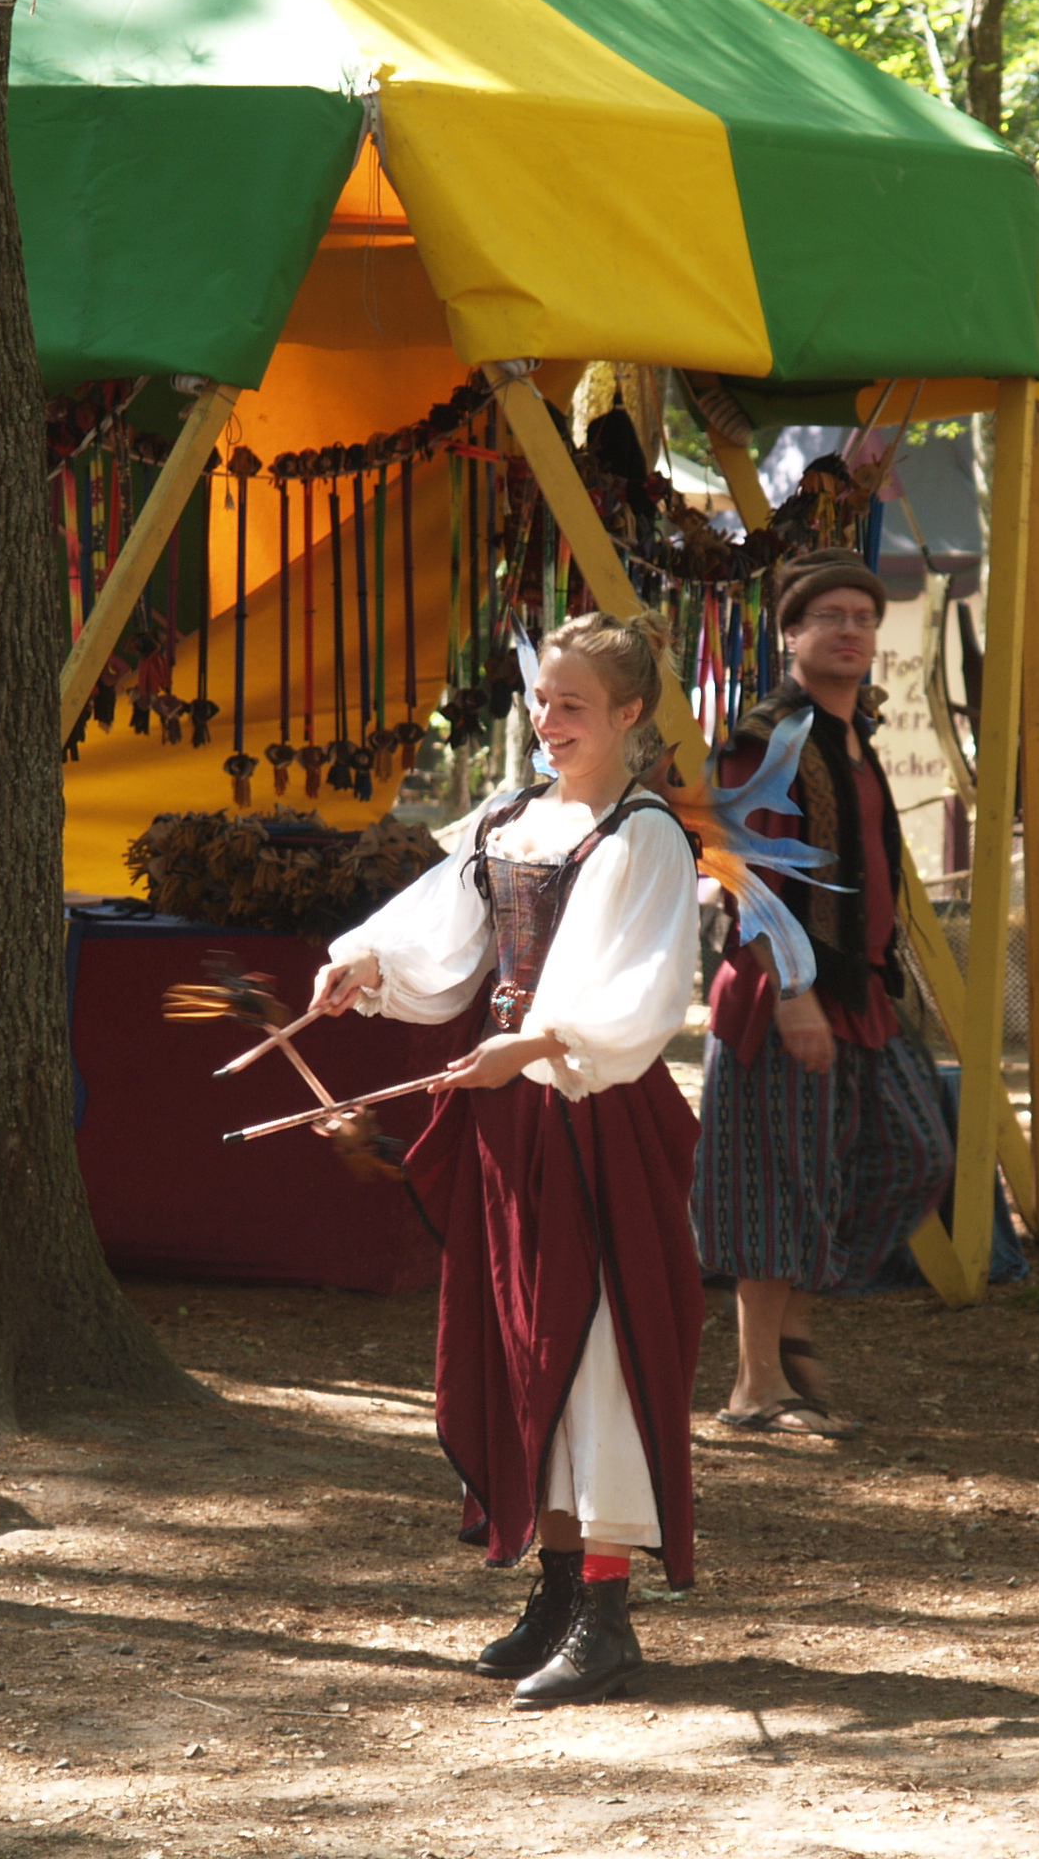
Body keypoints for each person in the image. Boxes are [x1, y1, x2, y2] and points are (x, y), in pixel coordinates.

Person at [312, 610, 701, 1711]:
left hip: (591, 1113)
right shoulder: (512, 817)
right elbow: (441, 935)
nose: (548, 720)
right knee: (524, 1339)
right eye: (542, 700)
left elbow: (642, 994)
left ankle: (607, 1614)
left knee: (595, 1346)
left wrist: (531, 1047)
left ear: (630, 713)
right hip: (507, 1116)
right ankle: (559, 1583)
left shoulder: (644, 837)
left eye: (573, 705)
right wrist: (364, 964)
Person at [690, 547, 954, 1440]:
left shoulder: (853, 737)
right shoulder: (765, 738)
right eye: (830, 617)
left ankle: (794, 1333)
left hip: (862, 992)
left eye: (864, 618)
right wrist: (794, 992)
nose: (851, 631)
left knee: (913, 1154)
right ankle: (756, 1386)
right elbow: (743, 871)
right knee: (781, 1186)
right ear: (792, 634)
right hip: (782, 993)